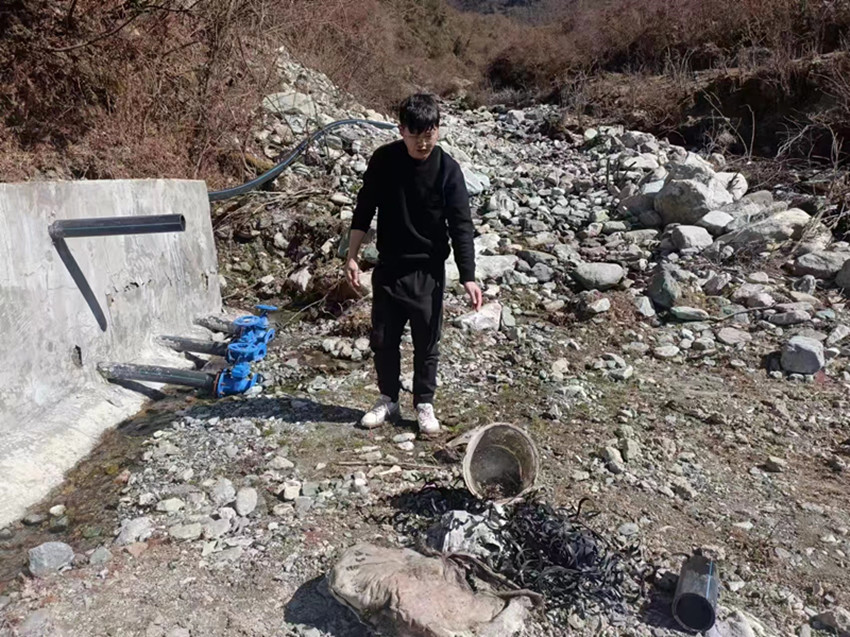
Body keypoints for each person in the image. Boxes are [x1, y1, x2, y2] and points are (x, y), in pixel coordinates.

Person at [345, 93, 482, 435]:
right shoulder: (384, 160)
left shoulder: (448, 170)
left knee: (426, 341)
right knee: (383, 339)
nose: (423, 142)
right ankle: (388, 399)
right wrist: (351, 256)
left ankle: (424, 403)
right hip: (389, 267)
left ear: (438, 130)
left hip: (427, 271)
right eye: (415, 133)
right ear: (401, 130)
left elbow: (461, 225)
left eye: (429, 133)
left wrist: (468, 275)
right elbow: (364, 208)